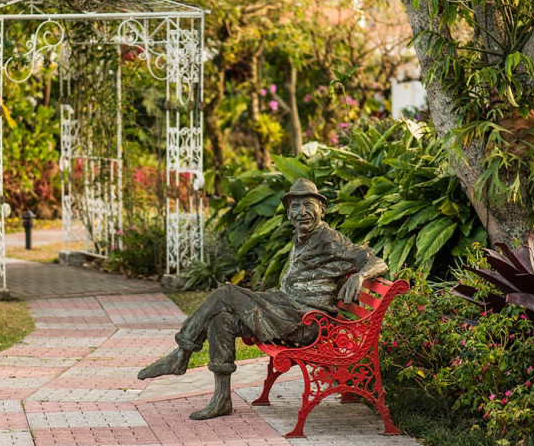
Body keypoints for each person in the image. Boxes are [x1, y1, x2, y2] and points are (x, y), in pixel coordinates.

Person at [137, 177, 388, 420]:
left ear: (321, 209)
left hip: (307, 323)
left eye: (308, 205)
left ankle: (181, 353)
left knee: (226, 294)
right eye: (295, 207)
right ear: (289, 212)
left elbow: (377, 262)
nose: (301, 212)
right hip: (287, 311)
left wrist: (360, 275)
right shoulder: (302, 237)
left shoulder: (328, 238)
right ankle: (221, 399)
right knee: (221, 319)